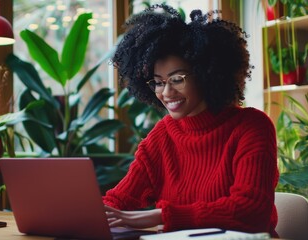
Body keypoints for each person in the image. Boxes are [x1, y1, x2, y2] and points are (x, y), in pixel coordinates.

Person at [103, 4, 279, 238]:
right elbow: (119, 200)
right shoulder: (163, 135)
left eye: (177, 79)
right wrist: (86, 215)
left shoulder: (251, 127)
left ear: (207, 74)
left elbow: (251, 212)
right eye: (157, 82)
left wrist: (161, 215)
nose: (165, 92)